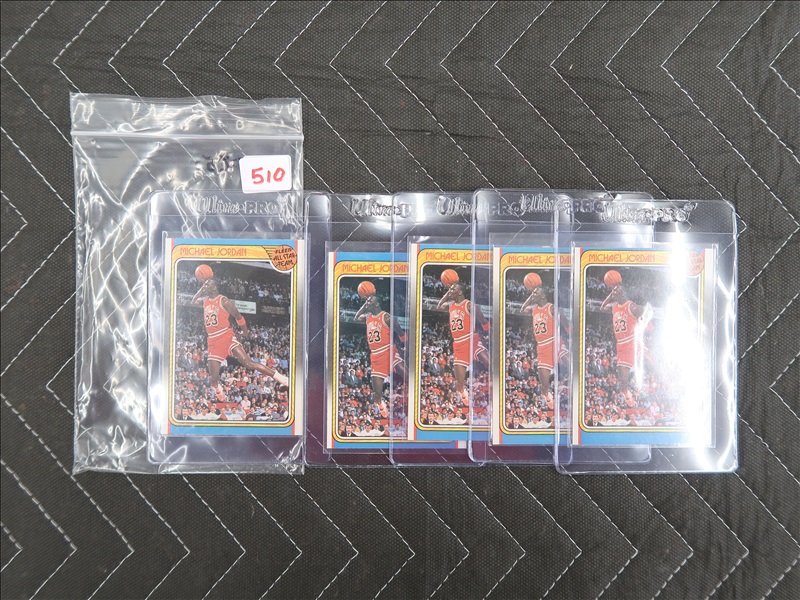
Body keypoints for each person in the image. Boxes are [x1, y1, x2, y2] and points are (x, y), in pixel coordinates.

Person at [192, 277, 288, 403]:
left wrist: (245, 332)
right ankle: (217, 389)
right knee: (213, 378)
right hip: (213, 340)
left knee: (248, 363)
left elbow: (239, 317)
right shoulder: (205, 300)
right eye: (204, 284)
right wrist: (201, 289)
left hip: (226, 335)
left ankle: (280, 377)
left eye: (207, 284)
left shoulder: (224, 301)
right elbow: (193, 301)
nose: (204, 286)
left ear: (214, 287)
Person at [437, 282, 490, 405]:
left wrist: (488, 331)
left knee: (489, 363)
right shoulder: (450, 305)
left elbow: (483, 320)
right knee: (459, 382)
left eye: (453, 289)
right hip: (458, 344)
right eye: (450, 289)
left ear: (460, 292)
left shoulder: (469, 305)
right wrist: (447, 293)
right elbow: (439, 306)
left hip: (471, 339)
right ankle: (463, 393)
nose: (450, 291)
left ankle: (498, 385)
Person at [520, 275, 569, 399]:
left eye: (535, 293)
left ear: (542, 296)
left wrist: (571, 336)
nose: (533, 295)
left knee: (569, 362)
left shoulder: (551, 308)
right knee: (543, 383)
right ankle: (547, 398)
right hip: (541, 346)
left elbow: (566, 322)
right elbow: (522, 310)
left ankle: (578, 383)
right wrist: (531, 297)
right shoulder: (533, 308)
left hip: (554, 341)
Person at [354, 292, 407, 405]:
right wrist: (365, 305)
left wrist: (404, 345)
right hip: (375, 355)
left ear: (377, 304)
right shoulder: (367, 317)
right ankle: (381, 408)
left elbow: (400, 332)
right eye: (367, 301)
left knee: (405, 374)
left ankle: (417, 392)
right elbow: (356, 318)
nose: (367, 303)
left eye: (370, 301)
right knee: (377, 394)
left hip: (388, 350)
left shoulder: (386, 317)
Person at [600, 282, 644, 396]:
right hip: (620, 344)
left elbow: (644, 311)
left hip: (631, 340)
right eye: (613, 291)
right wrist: (610, 296)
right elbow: (602, 308)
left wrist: (640, 324)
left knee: (646, 359)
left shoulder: (630, 305)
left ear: (623, 293)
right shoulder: (614, 307)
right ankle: (628, 396)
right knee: (622, 378)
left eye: (617, 291)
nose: (614, 292)